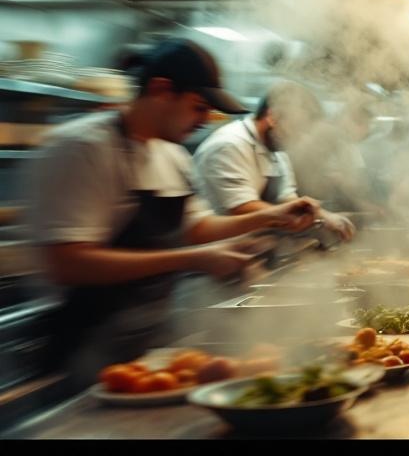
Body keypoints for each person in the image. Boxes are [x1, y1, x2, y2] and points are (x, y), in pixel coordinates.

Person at [28, 39, 319, 388]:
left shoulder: (172, 154)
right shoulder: (84, 148)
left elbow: (198, 227)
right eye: (198, 107)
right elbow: (68, 262)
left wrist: (274, 215)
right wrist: (193, 259)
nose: (204, 120)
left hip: (151, 341)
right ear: (161, 90)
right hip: (86, 348)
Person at [193, 81, 355, 241]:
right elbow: (243, 208)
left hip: (248, 246)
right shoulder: (230, 145)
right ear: (273, 117)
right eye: (297, 128)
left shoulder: (277, 151)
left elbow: (286, 197)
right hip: (213, 250)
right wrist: (298, 218)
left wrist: (322, 215)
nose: (299, 138)